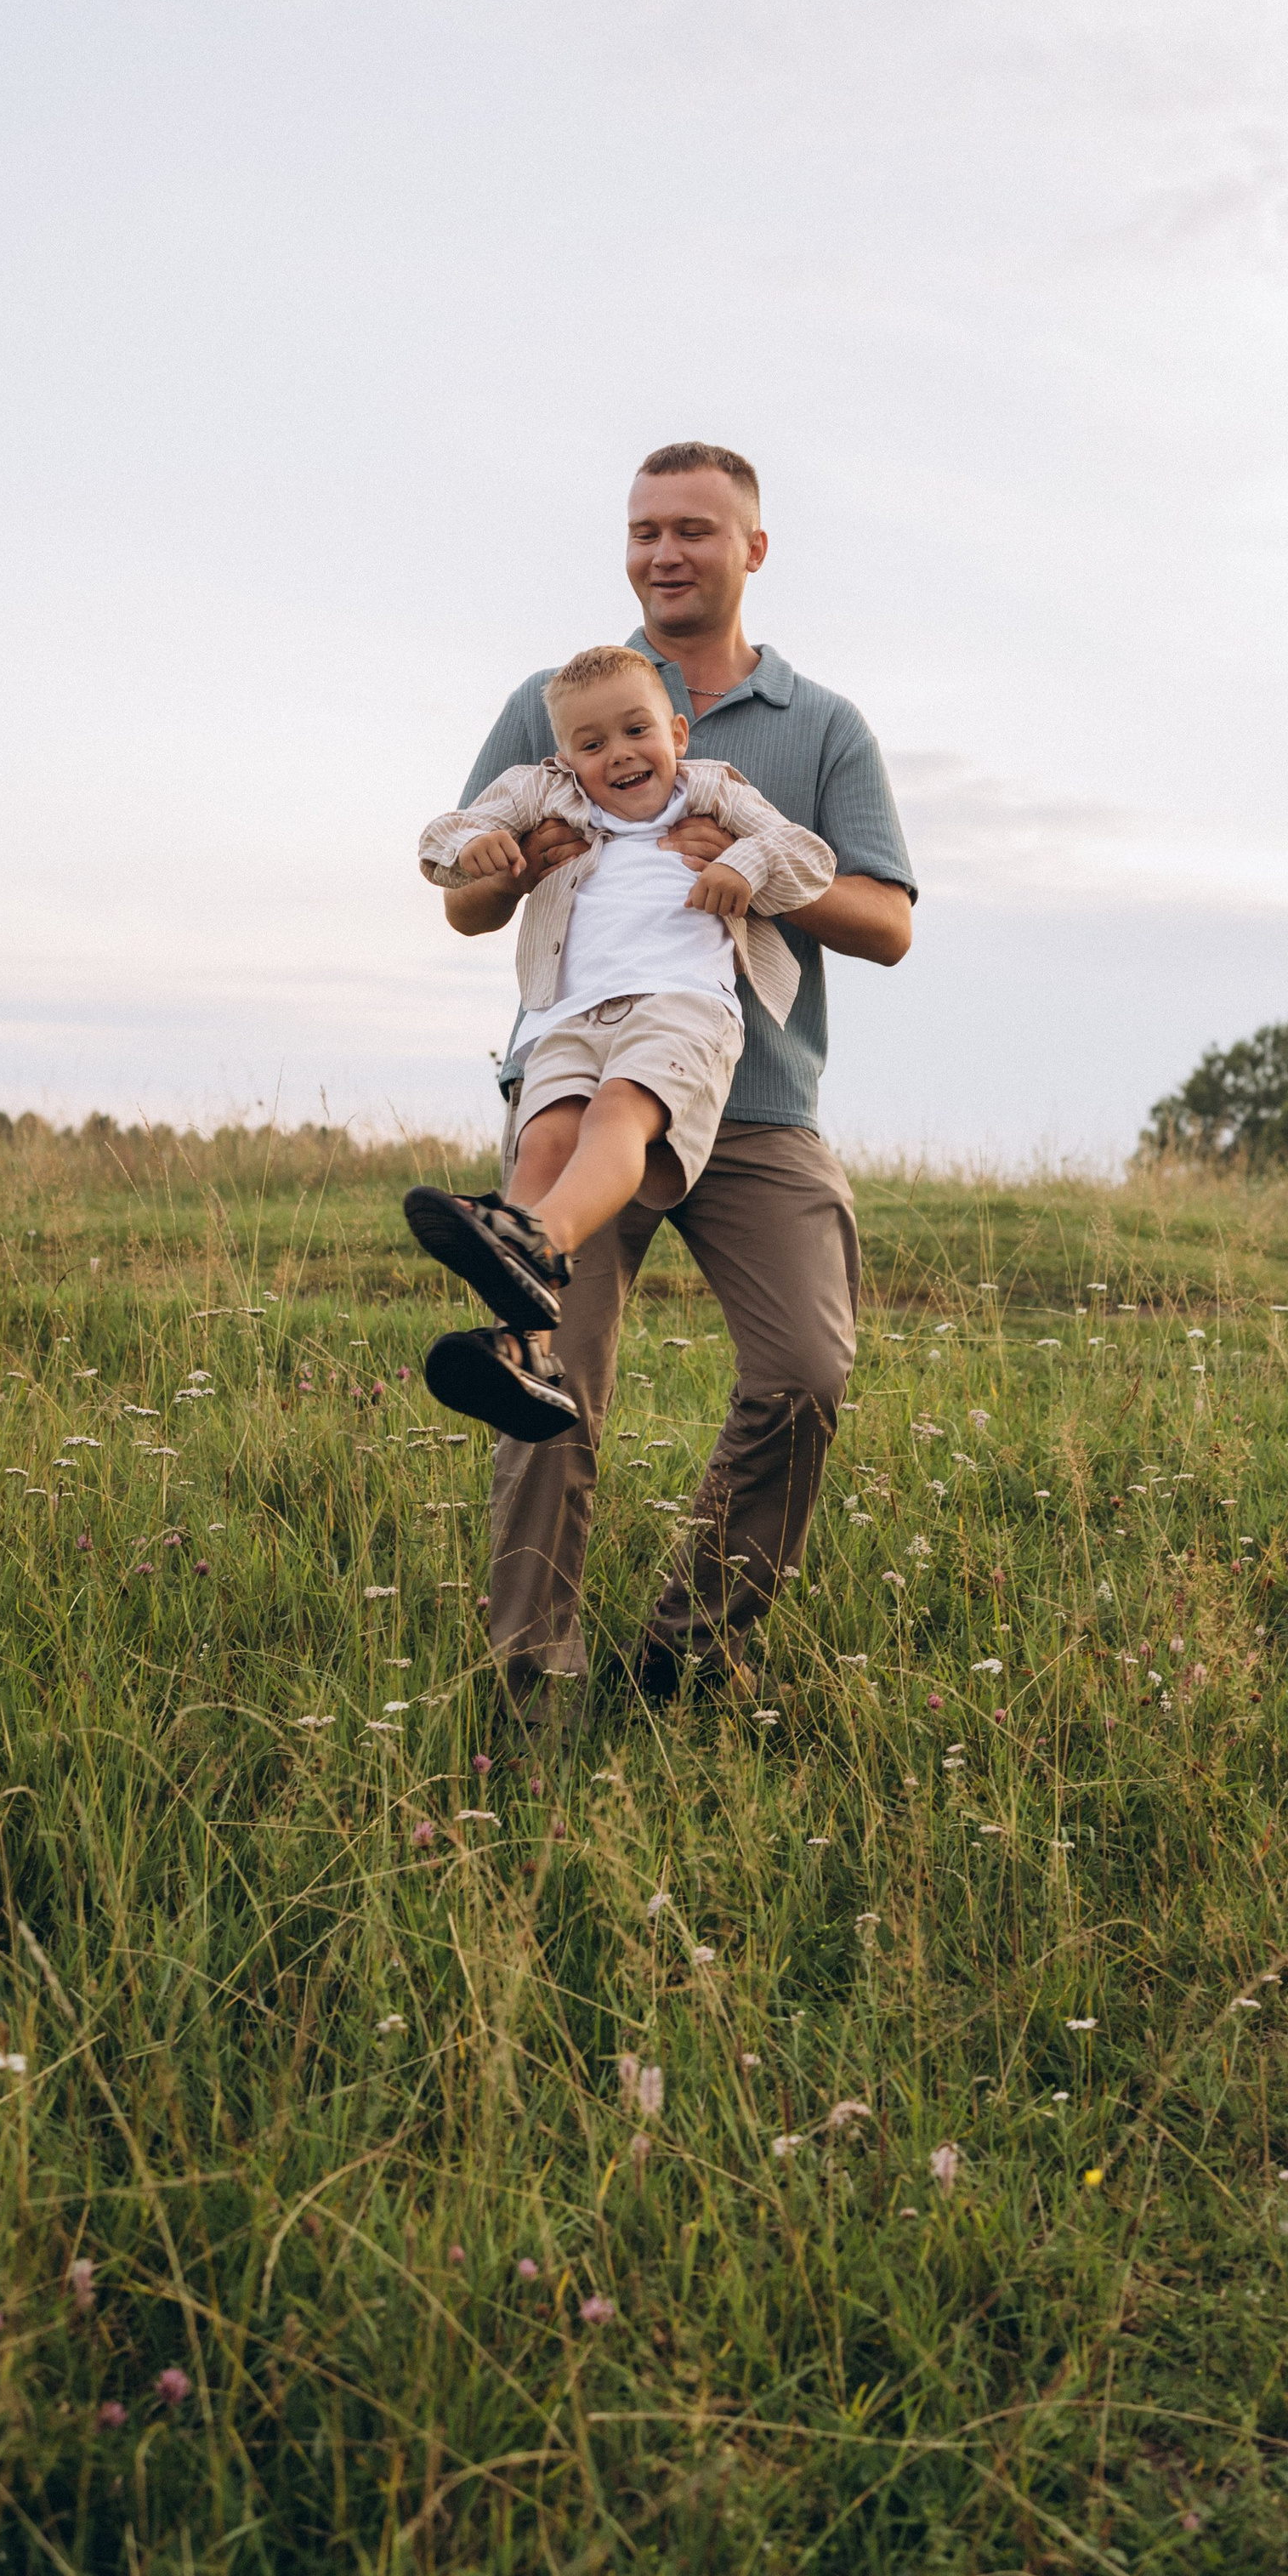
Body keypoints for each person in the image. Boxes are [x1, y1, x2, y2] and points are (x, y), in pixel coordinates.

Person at [438, 441, 916, 1722]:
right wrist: (513, 865)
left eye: (694, 530)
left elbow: (887, 924)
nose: (665, 552)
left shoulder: (820, 726)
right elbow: (466, 907)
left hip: (754, 1104)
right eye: (645, 529)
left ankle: (688, 1659)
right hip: (581, 1080)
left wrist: (754, 870)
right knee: (548, 1385)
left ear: (751, 549)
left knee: (805, 1371)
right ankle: (529, 1691)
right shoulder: (557, 701)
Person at [403, 642, 837, 1438]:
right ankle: (526, 1351)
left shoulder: (712, 789)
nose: (620, 754)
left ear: (677, 734)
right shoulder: (543, 792)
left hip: (681, 1005)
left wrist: (746, 865)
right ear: (564, 758)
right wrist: (473, 850)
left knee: (618, 1114)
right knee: (542, 1145)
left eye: (637, 731)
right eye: (592, 743)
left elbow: (806, 856)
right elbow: (442, 836)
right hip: (568, 1015)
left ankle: (544, 1238)